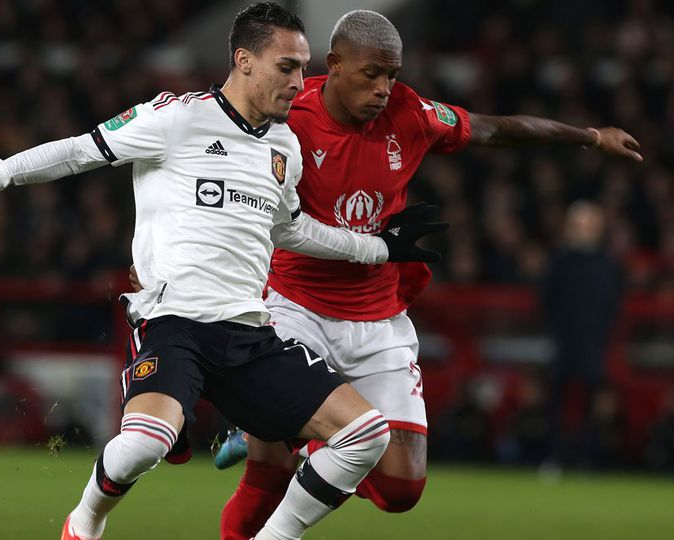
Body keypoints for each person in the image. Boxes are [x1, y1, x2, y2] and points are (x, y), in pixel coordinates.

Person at [0, 4, 449, 540]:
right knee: (146, 445)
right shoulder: (175, 118)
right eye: (287, 66)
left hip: (250, 334)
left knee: (365, 434)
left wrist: (378, 249)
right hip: (175, 323)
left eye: (303, 67)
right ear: (244, 61)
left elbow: (293, 230)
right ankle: (84, 521)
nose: (300, 82)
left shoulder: (284, 147)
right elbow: (78, 151)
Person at [203, 10, 643, 540]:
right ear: (335, 65)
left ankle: (288, 430)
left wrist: (589, 137)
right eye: (372, 74)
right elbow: (215, 183)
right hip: (295, 310)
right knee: (266, 478)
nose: (385, 88)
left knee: (400, 491)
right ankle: (277, 433)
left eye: (392, 74)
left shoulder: (411, 113)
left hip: (378, 320)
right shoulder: (287, 116)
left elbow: (494, 130)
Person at [541, 201, 624, 468]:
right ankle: (555, 456)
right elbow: (547, 300)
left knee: (592, 405)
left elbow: (613, 305)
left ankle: (588, 458)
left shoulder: (607, 264)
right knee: (556, 403)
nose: (582, 231)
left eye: (587, 225)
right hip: (563, 343)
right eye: (577, 225)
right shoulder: (560, 262)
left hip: (593, 344)